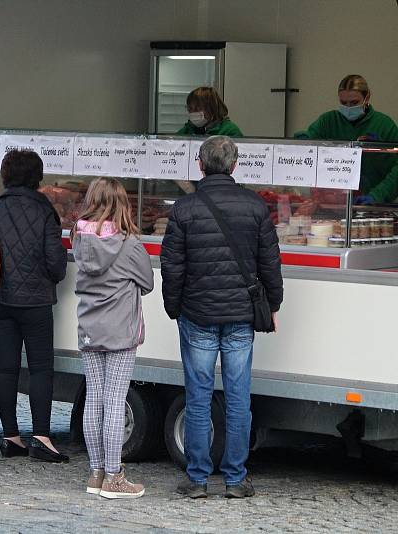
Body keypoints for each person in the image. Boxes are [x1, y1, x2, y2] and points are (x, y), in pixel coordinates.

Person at [160, 136, 283, 499]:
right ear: (234, 165)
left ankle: (197, 479)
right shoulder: (255, 207)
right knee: (237, 397)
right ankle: (235, 478)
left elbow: (172, 266)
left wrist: (173, 306)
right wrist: (273, 305)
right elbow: (270, 264)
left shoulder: (184, 209)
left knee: (198, 398)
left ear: (200, 165)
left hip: (197, 314)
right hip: (241, 316)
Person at [0, 149, 69, 463]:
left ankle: (10, 436)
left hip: (1, 300)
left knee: (7, 368)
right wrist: (53, 276)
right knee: (40, 368)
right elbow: (56, 263)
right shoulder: (45, 210)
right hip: (36, 302)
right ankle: (41, 436)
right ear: (36, 176)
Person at [72, 177, 154, 499]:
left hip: (89, 330)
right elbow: (146, 282)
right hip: (120, 332)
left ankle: (96, 473)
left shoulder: (79, 239)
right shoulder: (129, 244)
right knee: (115, 401)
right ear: (122, 204)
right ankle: (115, 477)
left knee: (95, 398)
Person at [299, 74, 398, 204]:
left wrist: (378, 195)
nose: (349, 107)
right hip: (334, 206)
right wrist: (302, 141)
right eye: (343, 103)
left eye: (354, 103)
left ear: (367, 97)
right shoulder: (328, 121)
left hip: (374, 204)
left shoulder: (384, 125)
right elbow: (307, 144)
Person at [176, 87, 243, 137]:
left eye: (198, 108)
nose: (193, 113)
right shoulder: (187, 130)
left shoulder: (229, 131)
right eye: (190, 109)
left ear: (212, 108)